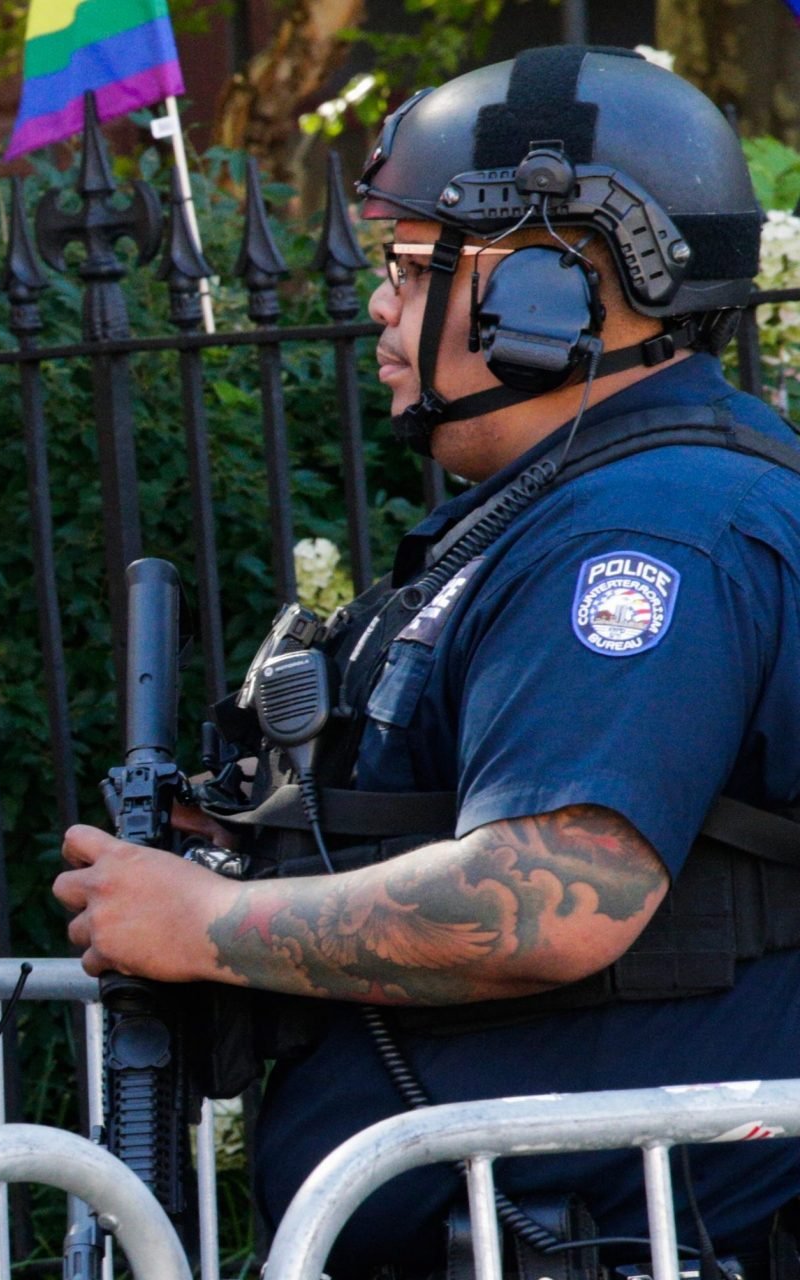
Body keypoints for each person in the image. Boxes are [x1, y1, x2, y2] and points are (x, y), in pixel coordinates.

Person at [55, 47, 800, 1274]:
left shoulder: (646, 530)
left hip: (618, 1242)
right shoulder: (573, 502)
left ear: (553, 291)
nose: (380, 311)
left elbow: (560, 897)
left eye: (407, 266)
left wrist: (210, 923)